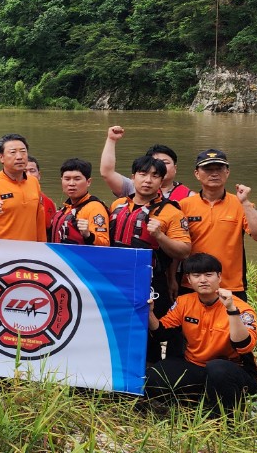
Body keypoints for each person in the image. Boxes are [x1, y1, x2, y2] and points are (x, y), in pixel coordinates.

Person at [146, 252, 257, 415]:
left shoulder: (240, 308)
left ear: (219, 277)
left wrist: (231, 310)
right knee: (152, 379)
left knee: (217, 369)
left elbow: (243, 346)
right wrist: (150, 313)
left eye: (208, 275)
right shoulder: (184, 302)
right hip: (196, 366)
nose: (203, 280)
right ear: (189, 279)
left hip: (234, 370)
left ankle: (226, 416)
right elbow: (162, 333)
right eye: (196, 275)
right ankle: (200, 401)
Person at [110, 155, 193, 362]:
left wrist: (160, 236)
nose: (148, 180)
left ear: (161, 181)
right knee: (115, 328)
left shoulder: (171, 211)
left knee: (148, 334)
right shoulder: (118, 205)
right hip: (116, 280)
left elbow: (184, 251)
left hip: (151, 282)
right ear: (133, 177)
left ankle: (149, 374)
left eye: (155, 176)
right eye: (143, 174)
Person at [179, 149, 257, 300]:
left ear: (227, 172)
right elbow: (178, 247)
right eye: (208, 169)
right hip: (192, 284)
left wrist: (245, 202)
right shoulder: (184, 205)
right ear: (197, 174)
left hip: (231, 285)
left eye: (219, 169)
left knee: (234, 316)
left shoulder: (240, 203)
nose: (214, 173)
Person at [100, 126, 192, 201]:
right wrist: (111, 140)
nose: (160, 166)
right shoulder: (136, 186)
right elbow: (107, 173)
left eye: (165, 162)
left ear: (175, 168)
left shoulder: (190, 197)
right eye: (155, 162)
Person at [49, 158, 110, 246]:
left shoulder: (95, 208)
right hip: (59, 253)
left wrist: (88, 235)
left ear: (88, 182)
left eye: (77, 179)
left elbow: (105, 244)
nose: (71, 183)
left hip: (78, 255)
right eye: (67, 179)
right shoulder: (65, 208)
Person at [27, 156, 57, 240]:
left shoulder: (48, 202)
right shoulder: (11, 200)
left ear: (39, 175)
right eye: (24, 171)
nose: (28, 175)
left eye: (32, 171)